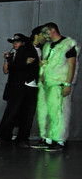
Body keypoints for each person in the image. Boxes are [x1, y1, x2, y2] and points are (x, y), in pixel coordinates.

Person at [34, 22, 77, 152]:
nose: (44, 35)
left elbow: (72, 66)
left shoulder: (68, 45)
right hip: (46, 84)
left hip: (58, 83)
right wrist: (41, 74)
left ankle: (59, 140)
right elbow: (45, 62)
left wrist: (67, 84)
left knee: (58, 112)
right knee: (45, 112)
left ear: (52, 30)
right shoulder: (47, 46)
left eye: (45, 32)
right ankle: (47, 139)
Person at [0, 33, 39, 147]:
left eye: (17, 41)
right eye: (14, 42)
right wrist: (7, 60)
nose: (15, 44)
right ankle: (4, 137)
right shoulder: (14, 54)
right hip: (17, 87)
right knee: (12, 112)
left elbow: (32, 67)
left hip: (30, 86)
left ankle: (22, 138)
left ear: (23, 43)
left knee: (27, 114)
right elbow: (6, 71)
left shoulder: (31, 51)